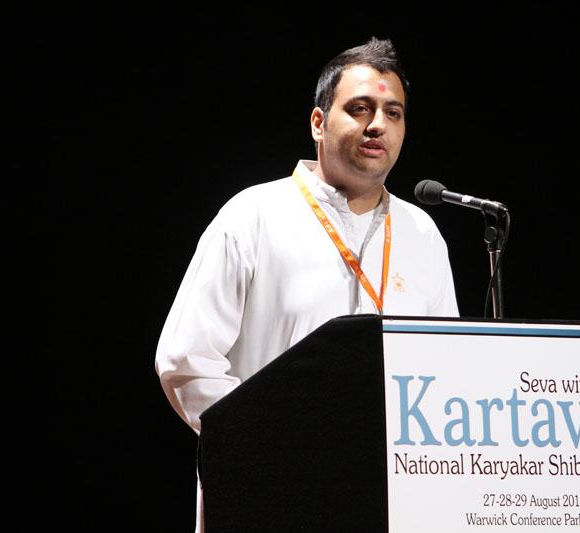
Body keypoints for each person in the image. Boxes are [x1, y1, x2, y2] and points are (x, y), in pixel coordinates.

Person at [155, 37, 459, 531]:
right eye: (359, 108)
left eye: (393, 113)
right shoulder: (254, 216)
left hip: (394, 493)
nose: (377, 124)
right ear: (318, 122)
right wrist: (269, 441)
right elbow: (185, 360)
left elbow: (447, 369)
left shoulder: (422, 234)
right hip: (274, 486)